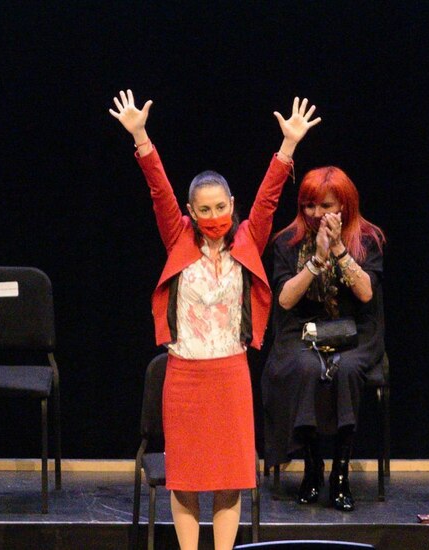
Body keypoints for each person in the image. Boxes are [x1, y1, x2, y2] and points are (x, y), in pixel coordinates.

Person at [109, 90, 319, 550]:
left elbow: (267, 202)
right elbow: (160, 190)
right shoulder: (179, 241)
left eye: (220, 207)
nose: (213, 217)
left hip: (230, 375)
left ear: (230, 204)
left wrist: (288, 148)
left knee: (228, 479)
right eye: (203, 210)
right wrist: (141, 137)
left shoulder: (246, 245)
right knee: (184, 480)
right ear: (191, 213)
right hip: (184, 378)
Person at [261, 166, 385, 511]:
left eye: (326, 206)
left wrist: (340, 250)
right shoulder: (288, 241)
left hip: (356, 330)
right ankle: (313, 466)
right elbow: (285, 300)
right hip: (302, 329)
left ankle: (341, 473)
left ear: (344, 205)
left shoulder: (368, 239)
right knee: (305, 368)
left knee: (344, 370)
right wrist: (317, 258)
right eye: (309, 206)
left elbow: (365, 294)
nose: (316, 214)